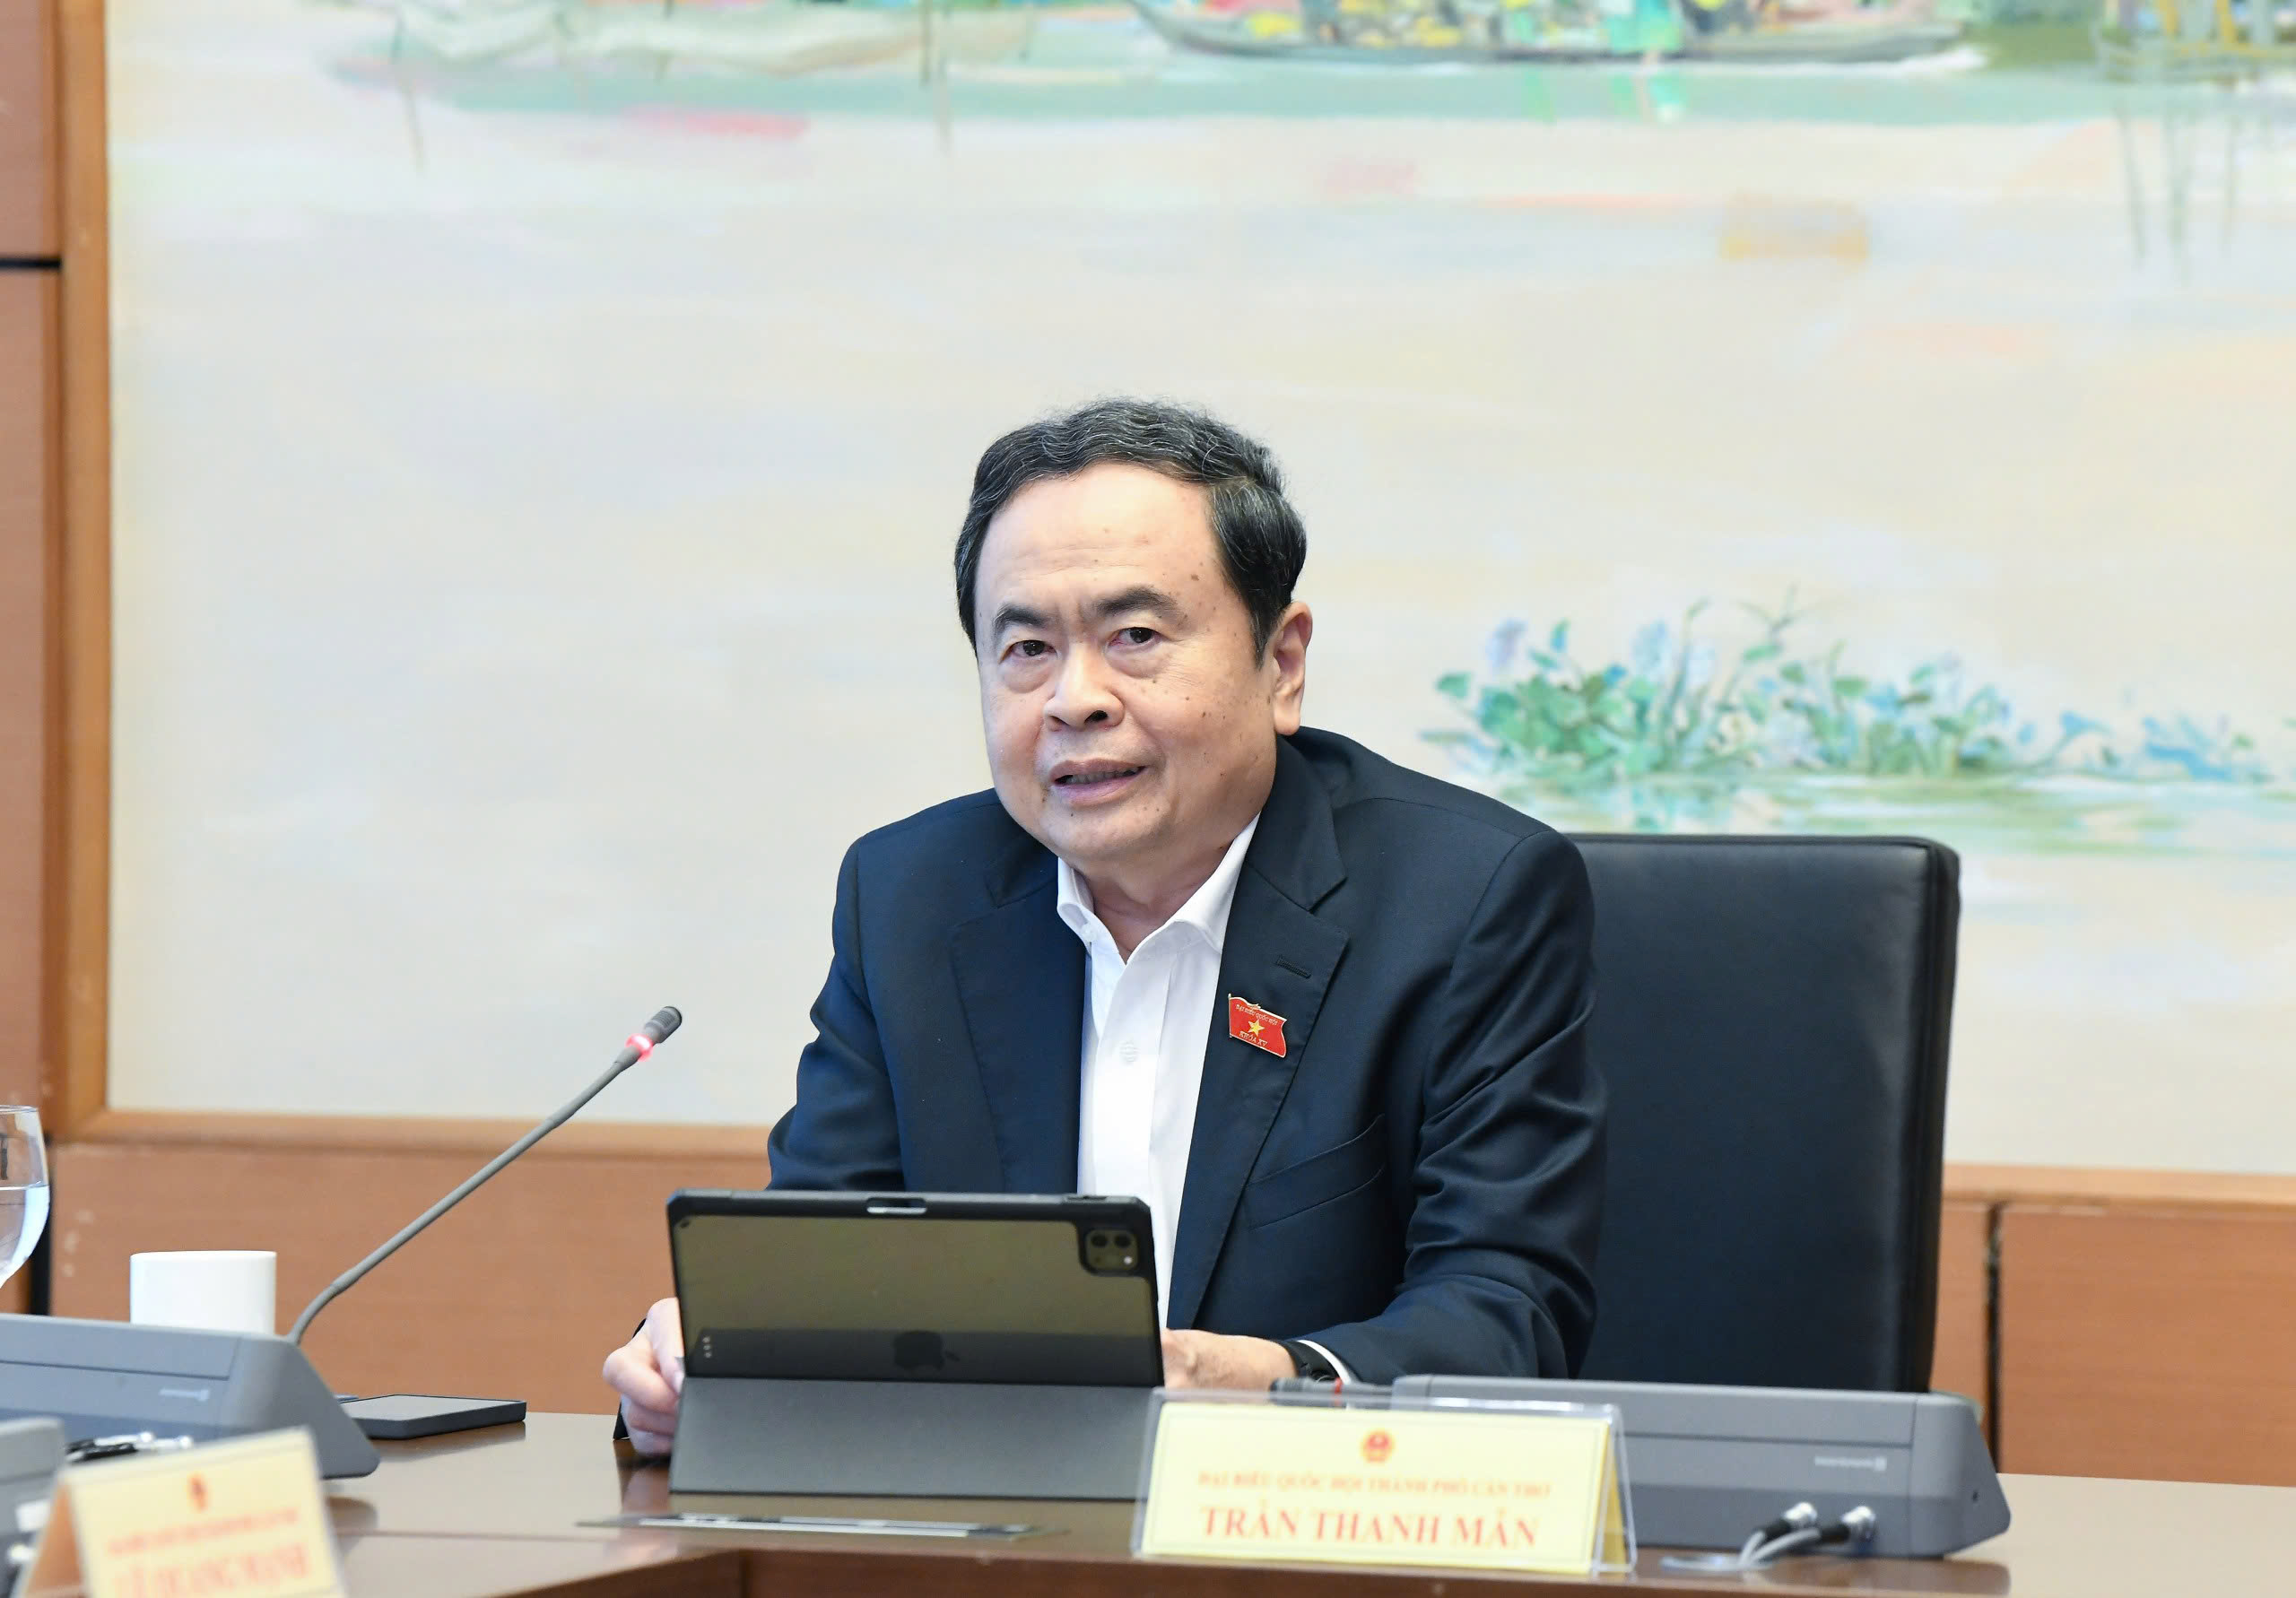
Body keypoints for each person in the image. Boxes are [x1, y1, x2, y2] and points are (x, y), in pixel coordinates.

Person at [604, 399, 1603, 1455]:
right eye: (1027, 648)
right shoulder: (911, 899)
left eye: (1135, 638)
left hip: (1307, 1517)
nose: (1074, 699)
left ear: (1280, 664)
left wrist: (1264, 1382)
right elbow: (814, 1266)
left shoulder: (1464, 900)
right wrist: (690, 1363)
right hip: (998, 1518)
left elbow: (1508, 1310)